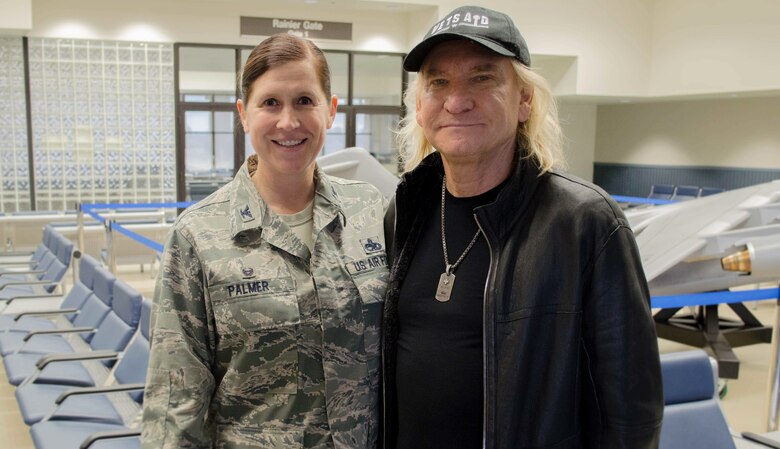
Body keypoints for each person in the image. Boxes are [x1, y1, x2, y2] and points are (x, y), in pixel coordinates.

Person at [382, 5, 663, 449]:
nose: (457, 100)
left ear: (524, 100)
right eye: (439, 82)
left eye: (483, 77)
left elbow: (631, 411)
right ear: (420, 107)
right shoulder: (406, 211)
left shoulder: (584, 223)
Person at [142, 33, 388, 449]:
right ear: (243, 114)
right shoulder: (199, 235)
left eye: (305, 101)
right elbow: (176, 401)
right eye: (270, 102)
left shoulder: (370, 212)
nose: (288, 122)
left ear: (330, 111)